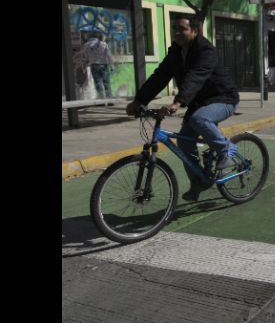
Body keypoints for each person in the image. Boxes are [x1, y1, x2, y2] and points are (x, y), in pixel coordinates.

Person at [126, 15, 240, 201]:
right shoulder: (176, 52)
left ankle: (226, 149)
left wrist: (178, 102)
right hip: (198, 103)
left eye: (182, 29)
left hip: (223, 98)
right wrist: (139, 100)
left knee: (199, 119)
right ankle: (199, 181)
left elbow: (196, 76)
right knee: (185, 142)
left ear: (195, 31)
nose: (177, 32)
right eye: (175, 29)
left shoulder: (206, 50)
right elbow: (160, 77)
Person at [84, 32, 114, 99]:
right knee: (107, 83)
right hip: (104, 66)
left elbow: (86, 56)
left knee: (98, 83)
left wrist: (89, 61)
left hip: (94, 66)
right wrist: (112, 65)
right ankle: (109, 99)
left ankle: (101, 99)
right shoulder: (103, 44)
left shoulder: (86, 45)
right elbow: (109, 55)